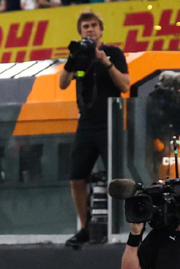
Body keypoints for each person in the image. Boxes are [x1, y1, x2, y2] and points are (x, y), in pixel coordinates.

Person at [58, 10, 130, 248]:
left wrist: (104, 61)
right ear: (81, 32)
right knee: (76, 177)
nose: (90, 30)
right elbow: (62, 83)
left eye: (93, 26)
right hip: (86, 124)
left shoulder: (113, 53)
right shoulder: (79, 56)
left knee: (117, 178)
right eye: (85, 27)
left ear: (101, 30)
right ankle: (85, 227)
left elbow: (125, 85)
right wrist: (73, 59)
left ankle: (126, 226)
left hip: (110, 122)